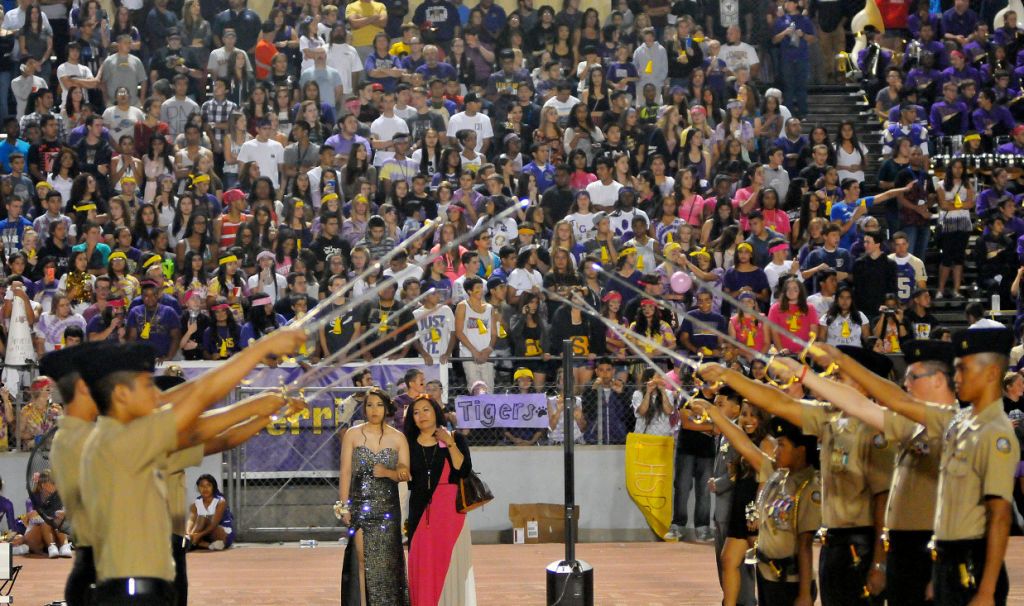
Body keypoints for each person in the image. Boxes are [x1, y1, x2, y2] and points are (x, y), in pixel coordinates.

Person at [700, 347, 896, 606]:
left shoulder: (877, 430)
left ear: (865, 384)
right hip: (832, 543)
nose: (832, 383)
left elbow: (884, 499)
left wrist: (879, 562)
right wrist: (729, 376)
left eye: (840, 378)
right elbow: (779, 402)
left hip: (862, 543)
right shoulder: (830, 418)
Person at [337, 387, 411, 606]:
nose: (374, 410)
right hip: (360, 506)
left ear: (387, 408)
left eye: (378, 405)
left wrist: (389, 472)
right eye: (369, 405)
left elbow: (406, 473)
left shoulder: (398, 438)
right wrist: (344, 506)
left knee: (388, 562)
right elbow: (345, 472)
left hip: (388, 509)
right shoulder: (353, 434)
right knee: (362, 561)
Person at [403, 395, 476, 605]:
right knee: (422, 567)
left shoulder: (455, 437)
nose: (421, 416)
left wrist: (450, 442)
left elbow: (462, 470)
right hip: (420, 514)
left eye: (426, 410)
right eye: (415, 412)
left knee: (451, 567)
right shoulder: (408, 444)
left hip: (451, 515)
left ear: (436, 412)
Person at [185, 474, 234, 550]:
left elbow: (214, 524)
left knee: (202, 518)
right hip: (204, 535)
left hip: (222, 533)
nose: (205, 488)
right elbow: (191, 520)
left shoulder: (220, 502)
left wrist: (198, 535)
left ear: (213, 487)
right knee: (198, 522)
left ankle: (192, 542)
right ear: (198, 488)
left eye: (208, 485)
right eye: (202, 486)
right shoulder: (195, 503)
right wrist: (188, 533)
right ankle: (209, 545)